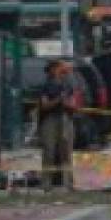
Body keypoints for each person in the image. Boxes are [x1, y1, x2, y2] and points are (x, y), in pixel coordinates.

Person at [39, 60, 80, 190]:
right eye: (56, 68)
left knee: (66, 151)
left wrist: (69, 104)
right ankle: (46, 183)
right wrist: (58, 100)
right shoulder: (46, 86)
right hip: (50, 119)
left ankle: (68, 183)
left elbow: (74, 104)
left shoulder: (68, 85)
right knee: (49, 151)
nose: (59, 71)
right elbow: (44, 105)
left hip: (66, 118)